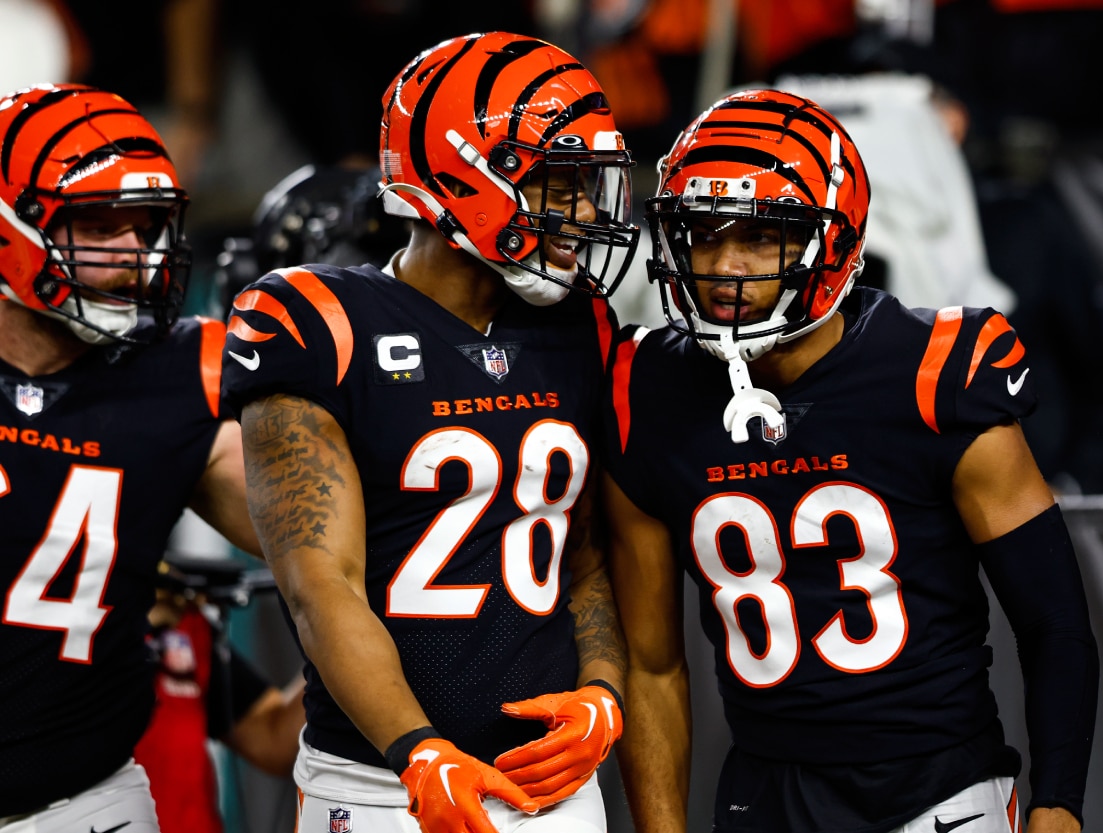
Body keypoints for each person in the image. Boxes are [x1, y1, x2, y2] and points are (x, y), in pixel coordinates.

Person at [603, 89, 1099, 833]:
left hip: (938, 790)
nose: (723, 267)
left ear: (829, 244)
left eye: (761, 237)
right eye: (702, 234)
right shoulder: (646, 388)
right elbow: (650, 663)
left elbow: (1054, 620)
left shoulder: (936, 373)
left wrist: (1058, 806)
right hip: (763, 792)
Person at [220, 32, 639, 833]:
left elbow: (581, 555)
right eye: (559, 184)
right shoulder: (319, 322)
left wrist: (602, 694)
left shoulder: (582, 323)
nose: (584, 213)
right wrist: (418, 749)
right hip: (384, 785)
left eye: (588, 186)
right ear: (462, 177)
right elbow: (321, 584)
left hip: (551, 781)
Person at [0, 83, 260, 830]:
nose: (133, 256)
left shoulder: (187, 371)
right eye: (99, 224)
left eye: (144, 227)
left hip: (85, 802)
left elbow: (322, 537)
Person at [134, 559, 305, 833]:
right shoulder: (63, 629)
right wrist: (131, 625)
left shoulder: (183, 623)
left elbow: (273, 739)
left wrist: (334, 645)